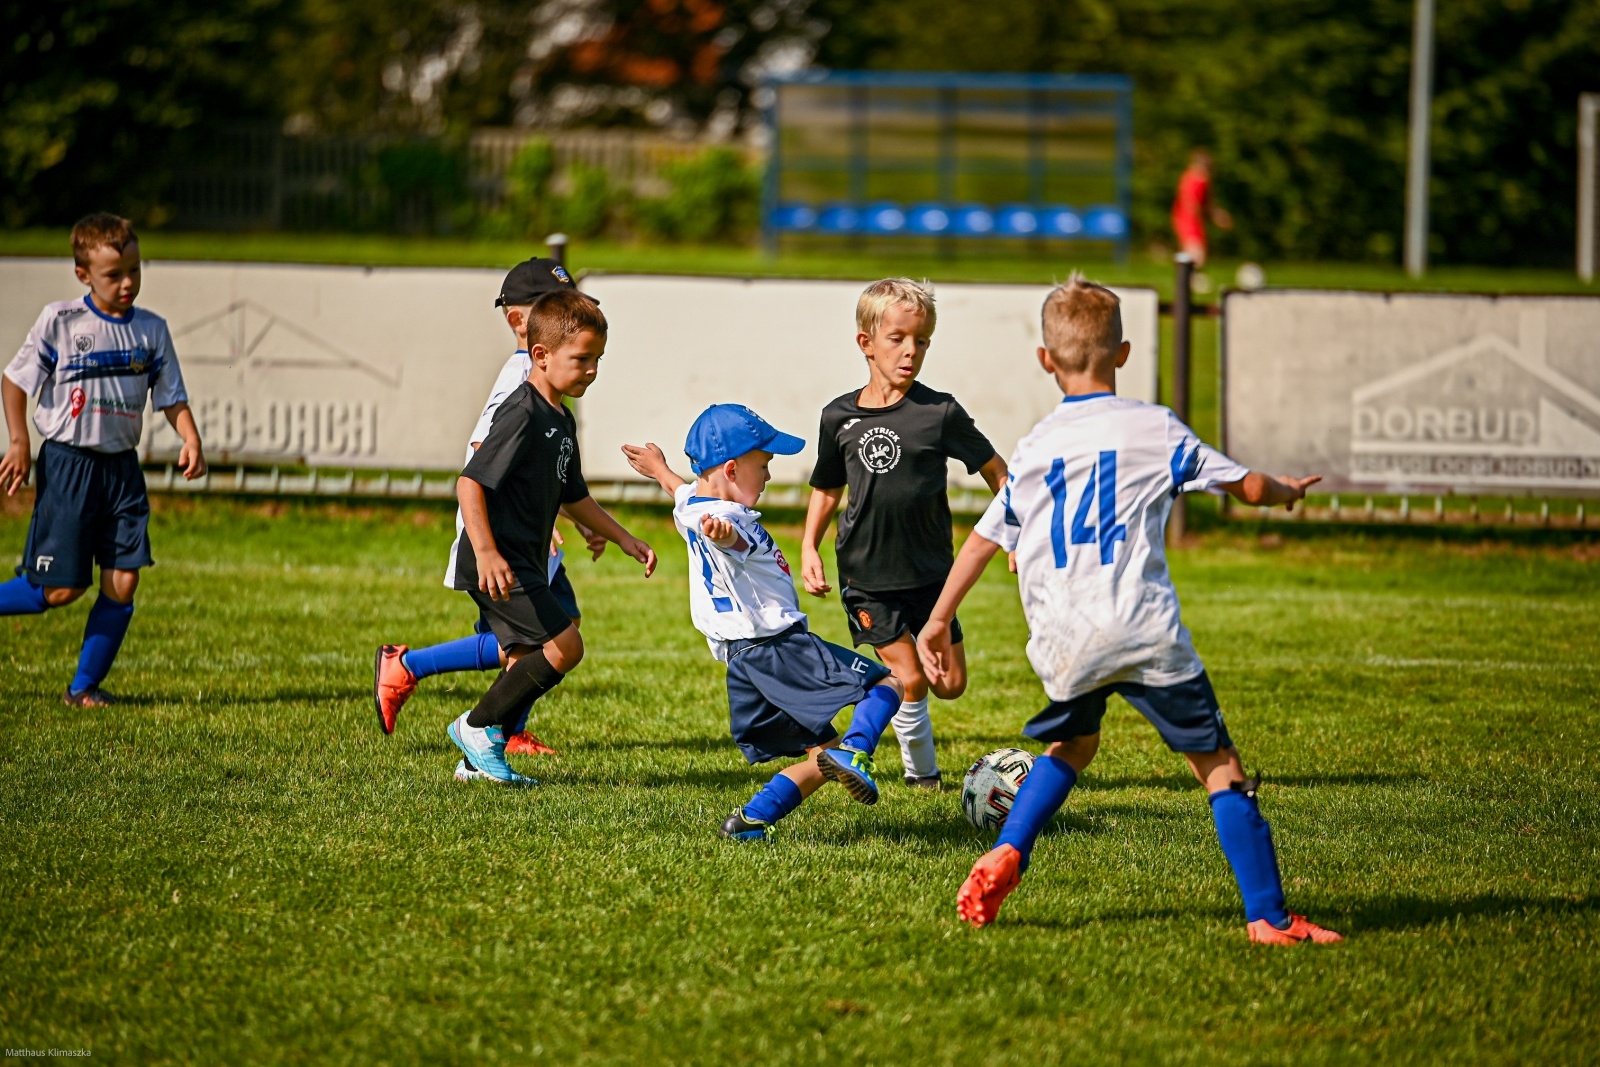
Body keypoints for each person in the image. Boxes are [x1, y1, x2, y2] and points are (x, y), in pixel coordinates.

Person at [917, 277, 1342, 945]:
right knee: (1218, 765)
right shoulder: (1154, 427)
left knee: (1072, 746)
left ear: (1045, 360)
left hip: (1064, 637)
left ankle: (1008, 849)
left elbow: (983, 538)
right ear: (1123, 353)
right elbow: (1247, 485)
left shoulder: (1035, 447)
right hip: (1142, 627)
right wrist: (1285, 490)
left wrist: (939, 619)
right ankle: (1268, 916)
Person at [622, 405, 905, 841]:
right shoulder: (730, 520)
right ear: (732, 470)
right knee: (887, 685)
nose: (769, 475)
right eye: (765, 464)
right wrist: (725, 536)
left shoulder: (693, 507)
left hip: (743, 660)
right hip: (778, 646)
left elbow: (681, 492)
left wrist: (660, 469)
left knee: (823, 753)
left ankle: (751, 820)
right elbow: (731, 538)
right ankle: (858, 751)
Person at [373, 258, 604, 756]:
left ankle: (480, 721)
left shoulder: (550, 389)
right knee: (541, 640)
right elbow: (483, 458)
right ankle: (489, 729)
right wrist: (517, 526)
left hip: (524, 530)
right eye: (552, 305)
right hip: (502, 535)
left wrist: (564, 513)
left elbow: (546, 469)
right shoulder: (522, 380)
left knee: (545, 634)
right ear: (520, 320)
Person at [800, 279, 1007, 790]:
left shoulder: (940, 413)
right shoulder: (838, 416)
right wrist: (809, 546)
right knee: (910, 678)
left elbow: (998, 472)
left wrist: (1018, 530)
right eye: (897, 339)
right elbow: (827, 488)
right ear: (866, 342)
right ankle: (921, 776)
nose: (911, 351)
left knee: (950, 684)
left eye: (922, 340)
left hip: (933, 575)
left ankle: (888, 709)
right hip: (868, 577)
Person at [446, 287, 657, 786]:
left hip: (524, 559)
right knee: (566, 646)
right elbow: (470, 483)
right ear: (540, 355)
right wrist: (487, 552)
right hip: (499, 562)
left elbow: (574, 494)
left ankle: (475, 762)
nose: (592, 370)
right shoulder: (522, 413)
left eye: (598, 359)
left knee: (528, 656)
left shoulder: (560, 418)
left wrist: (624, 538)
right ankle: (475, 728)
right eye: (581, 359)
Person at [0, 213, 206, 705]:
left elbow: (171, 396)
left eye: (134, 270)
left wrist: (190, 437)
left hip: (121, 471)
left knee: (124, 579)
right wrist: (19, 440)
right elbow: (14, 380)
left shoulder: (151, 330)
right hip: (69, 466)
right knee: (59, 591)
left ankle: (83, 688)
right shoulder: (61, 322)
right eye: (114, 274)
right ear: (83, 274)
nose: (128, 282)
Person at [1170, 149, 1232, 269]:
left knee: (1195, 256)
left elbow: (1206, 205)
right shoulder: (1194, 179)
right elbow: (1190, 203)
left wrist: (1217, 216)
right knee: (1196, 255)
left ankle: (1190, 276)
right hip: (1187, 220)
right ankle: (1190, 277)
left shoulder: (1198, 180)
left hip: (1190, 220)